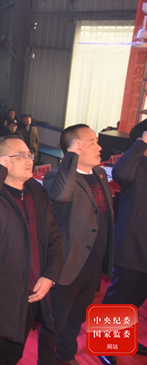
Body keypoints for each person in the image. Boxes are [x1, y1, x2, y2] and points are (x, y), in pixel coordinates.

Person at [0, 135, 63, 365]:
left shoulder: (37, 191)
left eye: (29, 154)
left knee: (12, 356)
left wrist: (50, 275)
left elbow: (54, 239)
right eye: (21, 156)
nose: (29, 160)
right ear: (4, 162)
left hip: (31, 293)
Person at [39, 124, 114, 365]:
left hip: (93, 264)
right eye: (93, 142)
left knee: (76, 318)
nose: (99, 147)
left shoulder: (99, 174)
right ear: (76, 147)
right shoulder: (56, 176)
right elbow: (60, 195)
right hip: (68, 264)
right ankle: (46, 361)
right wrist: (70, 156)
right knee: (55, 321)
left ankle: (66, 356)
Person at [99, 130, 147, 365]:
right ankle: (104, 343)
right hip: (133, 242)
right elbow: (120, 173)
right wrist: (141, 143)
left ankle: (121, 336)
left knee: (136, 297)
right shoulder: (135, 163)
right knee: (120, 294)